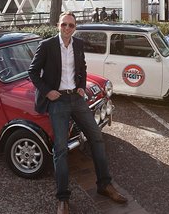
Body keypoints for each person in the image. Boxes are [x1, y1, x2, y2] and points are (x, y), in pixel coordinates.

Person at [28, 11, 127, 214]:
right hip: (58, 101)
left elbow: (82, 66)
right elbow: (32, 71)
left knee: (97, 138)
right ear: (58, 25)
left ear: (75, 28)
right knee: (61, 149)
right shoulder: (47, 46)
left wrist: (81, 85)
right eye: (64, 25)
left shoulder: (78, 44)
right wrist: (48, 92)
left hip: (76, 98)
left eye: (71, 25)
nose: (67, 29)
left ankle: (104, 185)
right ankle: (63, 199)